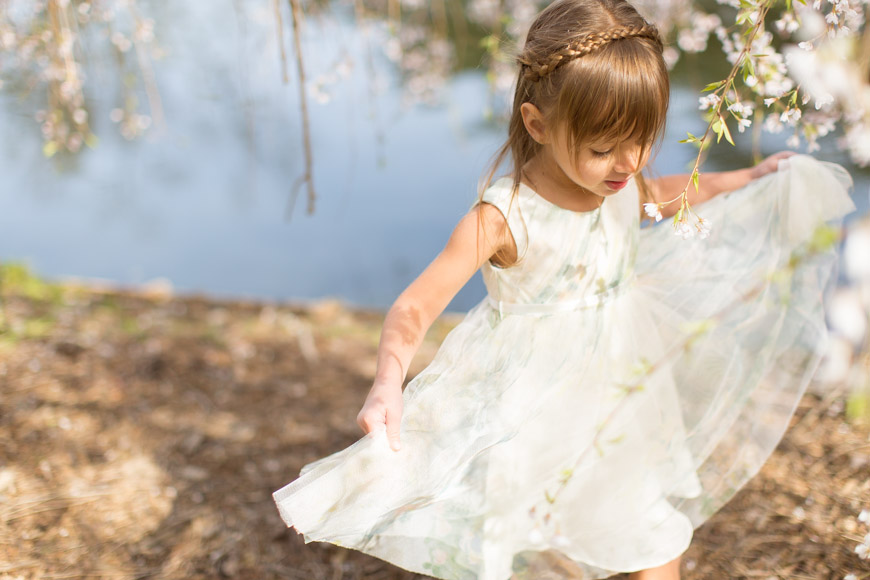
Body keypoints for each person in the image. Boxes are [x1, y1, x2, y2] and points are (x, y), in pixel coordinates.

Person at [273, 0, 856, 578]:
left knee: (649, 528)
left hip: (618, 391)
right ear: (538, 124)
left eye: (642, 141)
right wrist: (386, 384)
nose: (627, 164)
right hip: (528, 405)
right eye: (604, 148)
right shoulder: (504, 217)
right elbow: (417, 304)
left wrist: (739, 179)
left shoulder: (619, 180)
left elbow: (655, 193)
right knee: (527, 538)